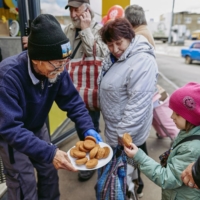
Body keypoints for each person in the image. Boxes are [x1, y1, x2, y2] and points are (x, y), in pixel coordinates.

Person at [0, 14, 102, 200]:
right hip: (13, 137)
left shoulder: (57, 70)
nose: (62, 70)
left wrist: (87, 127)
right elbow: (10, 128)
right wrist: (50, 151)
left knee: (50, 172)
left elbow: (74, 103)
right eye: (56, 64)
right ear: (36, 58)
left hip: (38, 128)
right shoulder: (8, 77)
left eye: (65, 62)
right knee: (24, 183)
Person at [97, 17, 158, 199]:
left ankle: (130, 194)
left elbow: (137, 106)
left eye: (119, 43)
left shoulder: (142, 62)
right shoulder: (117, 57)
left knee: (126, 174)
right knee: (123, 174)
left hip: (126, 137)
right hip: (116, 131)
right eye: (110, 44)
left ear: (130, 37)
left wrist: (121, 139)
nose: (114, 49)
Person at [124, 82, 200, 200]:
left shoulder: (191, 149)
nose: (171, 117)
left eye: (177, 114)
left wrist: (139, 156)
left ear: (192, 118)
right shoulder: (188, 131)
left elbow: (167, 178)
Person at [64, 0, 108, 181]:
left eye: (77, 9)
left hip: (92, 91)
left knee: (91, 125)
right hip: (75, 89)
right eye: (71, 10)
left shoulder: (100, 29)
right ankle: (89, 153)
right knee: (80, 124)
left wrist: (85, 30)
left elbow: (100, 56)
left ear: (87, 9)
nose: (74, 14)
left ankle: (93, 159)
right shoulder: (67, 30)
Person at [124, 4, 156, 197]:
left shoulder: (139, 37)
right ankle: (138, 181)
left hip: (139, 101)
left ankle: (137, 183)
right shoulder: (146, 33)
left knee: (136, 146)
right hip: (144, 100)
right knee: (139, 143)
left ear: (130, 22)